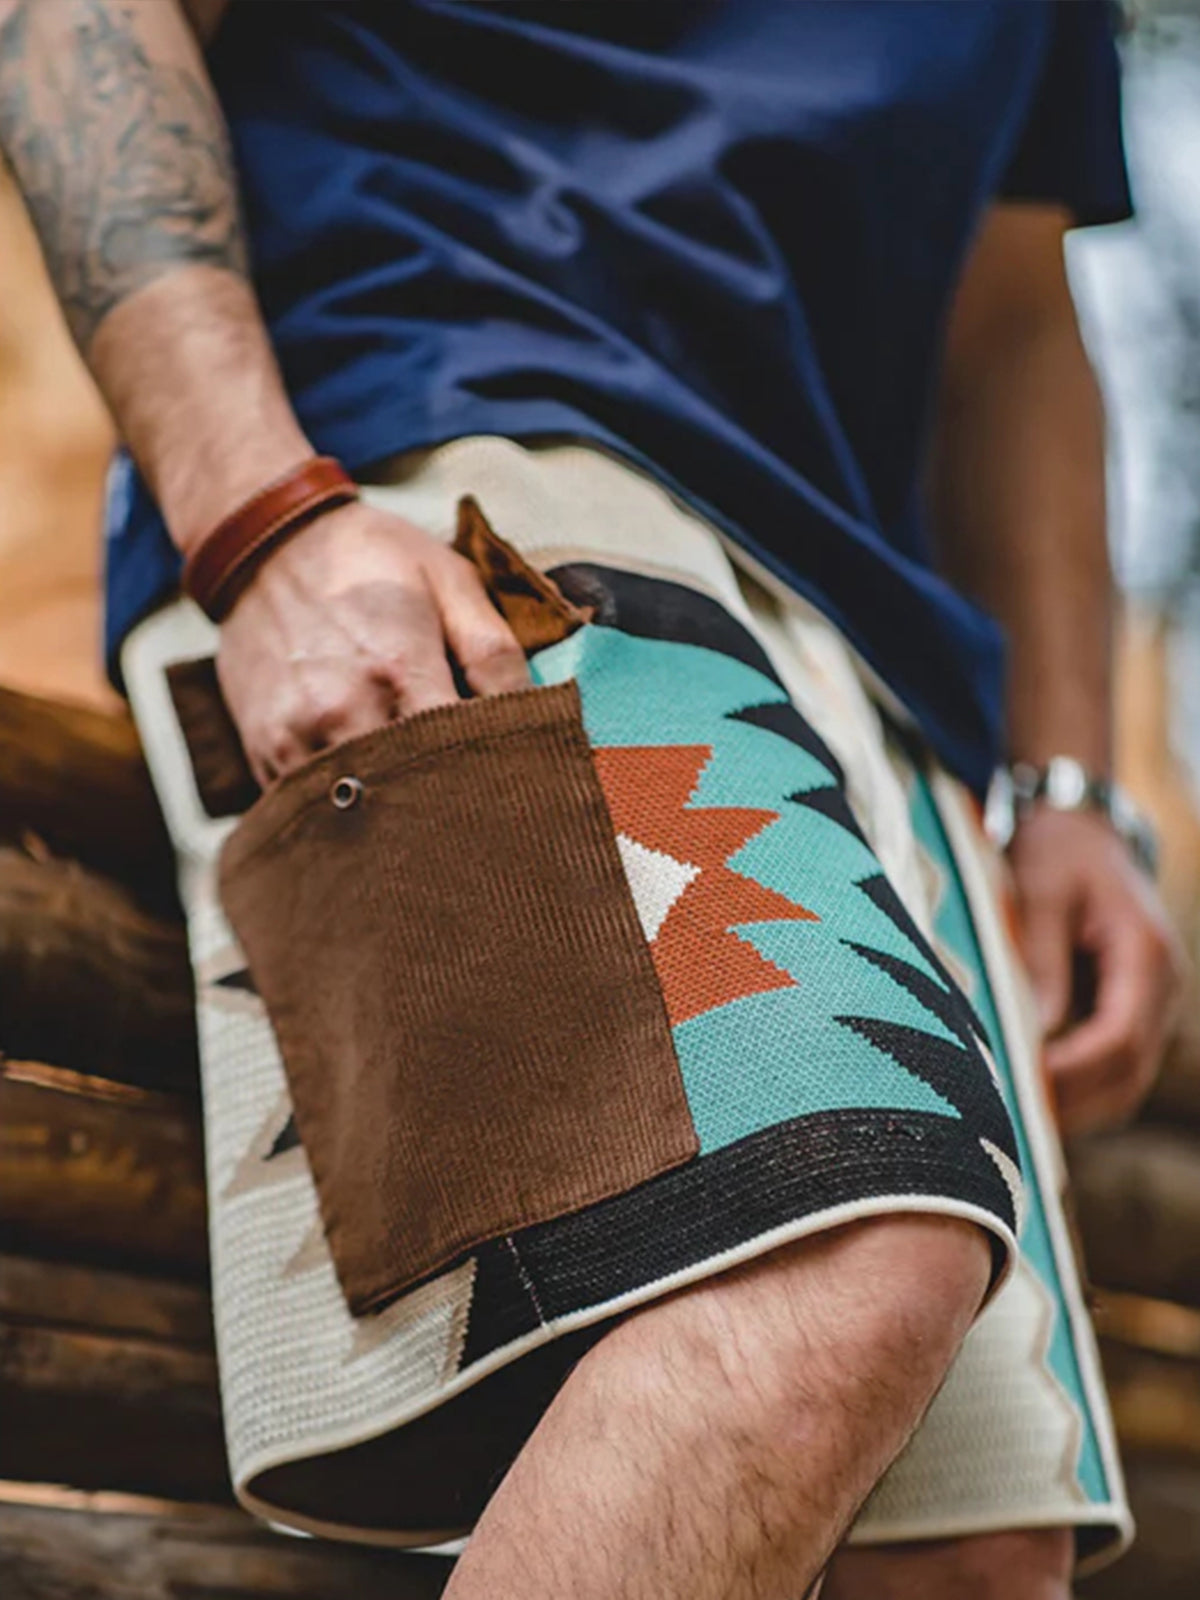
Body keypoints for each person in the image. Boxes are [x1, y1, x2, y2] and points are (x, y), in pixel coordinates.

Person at [0, 2, 1184, 1596]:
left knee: (969, 1554)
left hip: (868, 651)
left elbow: (1017, 312)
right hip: (471, 506)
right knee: (827, 1255)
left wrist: (1070, 783)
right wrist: (259, 517)